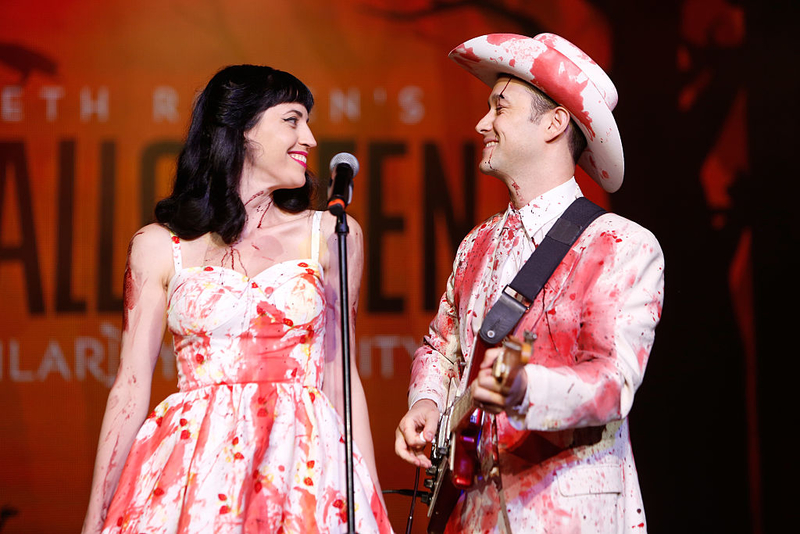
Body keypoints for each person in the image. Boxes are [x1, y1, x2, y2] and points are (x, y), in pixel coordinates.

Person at [82, 65, 392, 533]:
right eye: (292, 120)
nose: (309, 137)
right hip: (196, 469)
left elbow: (339, 376)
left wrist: (368, 502)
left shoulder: (330, 235)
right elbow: (129, 385)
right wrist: (95, 517)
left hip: (301, 464)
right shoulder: (158, 245)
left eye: (308, 121)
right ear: (241, 129)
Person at [395, 33, 664, 533]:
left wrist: (524, 387)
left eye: (500, 106)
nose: (482, 123)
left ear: (555, 122)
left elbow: (614, 380)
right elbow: (442, 346)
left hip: (566, 512)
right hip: (471, 513)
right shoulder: (475, 244)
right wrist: (427, 403)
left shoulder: (621, 245)